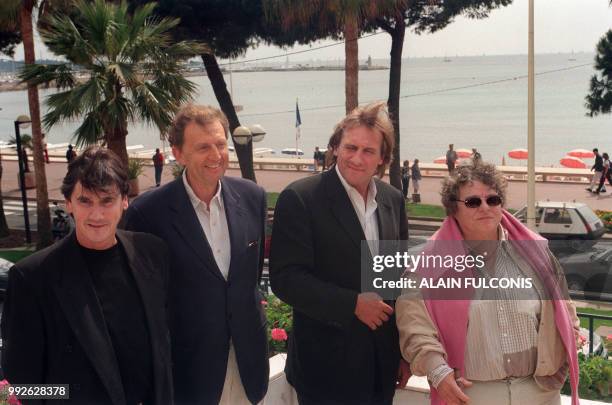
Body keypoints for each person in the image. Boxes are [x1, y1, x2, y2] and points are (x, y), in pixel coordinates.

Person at [396, 160, 580, 405]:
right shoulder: (425, 265)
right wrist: (439, 374)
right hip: (471, 395)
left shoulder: (536, 253)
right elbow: (415, 331)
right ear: (454, 209)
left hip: (541, 394)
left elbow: (565, 310)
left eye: (492, 200)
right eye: (473, 202)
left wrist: (565, 354)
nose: (485, 207)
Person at [1, 147, 173, 404]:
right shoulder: (32, 278)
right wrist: (72, 396)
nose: (97, 215)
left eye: (107, 201)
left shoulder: (152, 253)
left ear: (124, 201)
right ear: (68, 203)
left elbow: (166, 345)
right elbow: (24, 386)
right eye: (85, 201)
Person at [123, 104, 269, 405]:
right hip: (188, 375)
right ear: (178, 154)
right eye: (203, 147)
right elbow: (140, 302)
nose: (216, 156)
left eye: (220, 144)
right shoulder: (148, 214)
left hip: (247, 367)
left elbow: (249, 280)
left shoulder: (252, 196)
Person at [270, 101, 410, 404]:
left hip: (381, 368)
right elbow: (285, 278)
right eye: (350, 147)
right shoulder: (301, 198)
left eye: (368, 151)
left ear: (383, 158)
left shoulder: (392, 200)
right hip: (325, 372)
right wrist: (352, 304)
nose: (357, 158)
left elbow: (394, 283)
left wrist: (402, 352)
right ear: (335, 148)